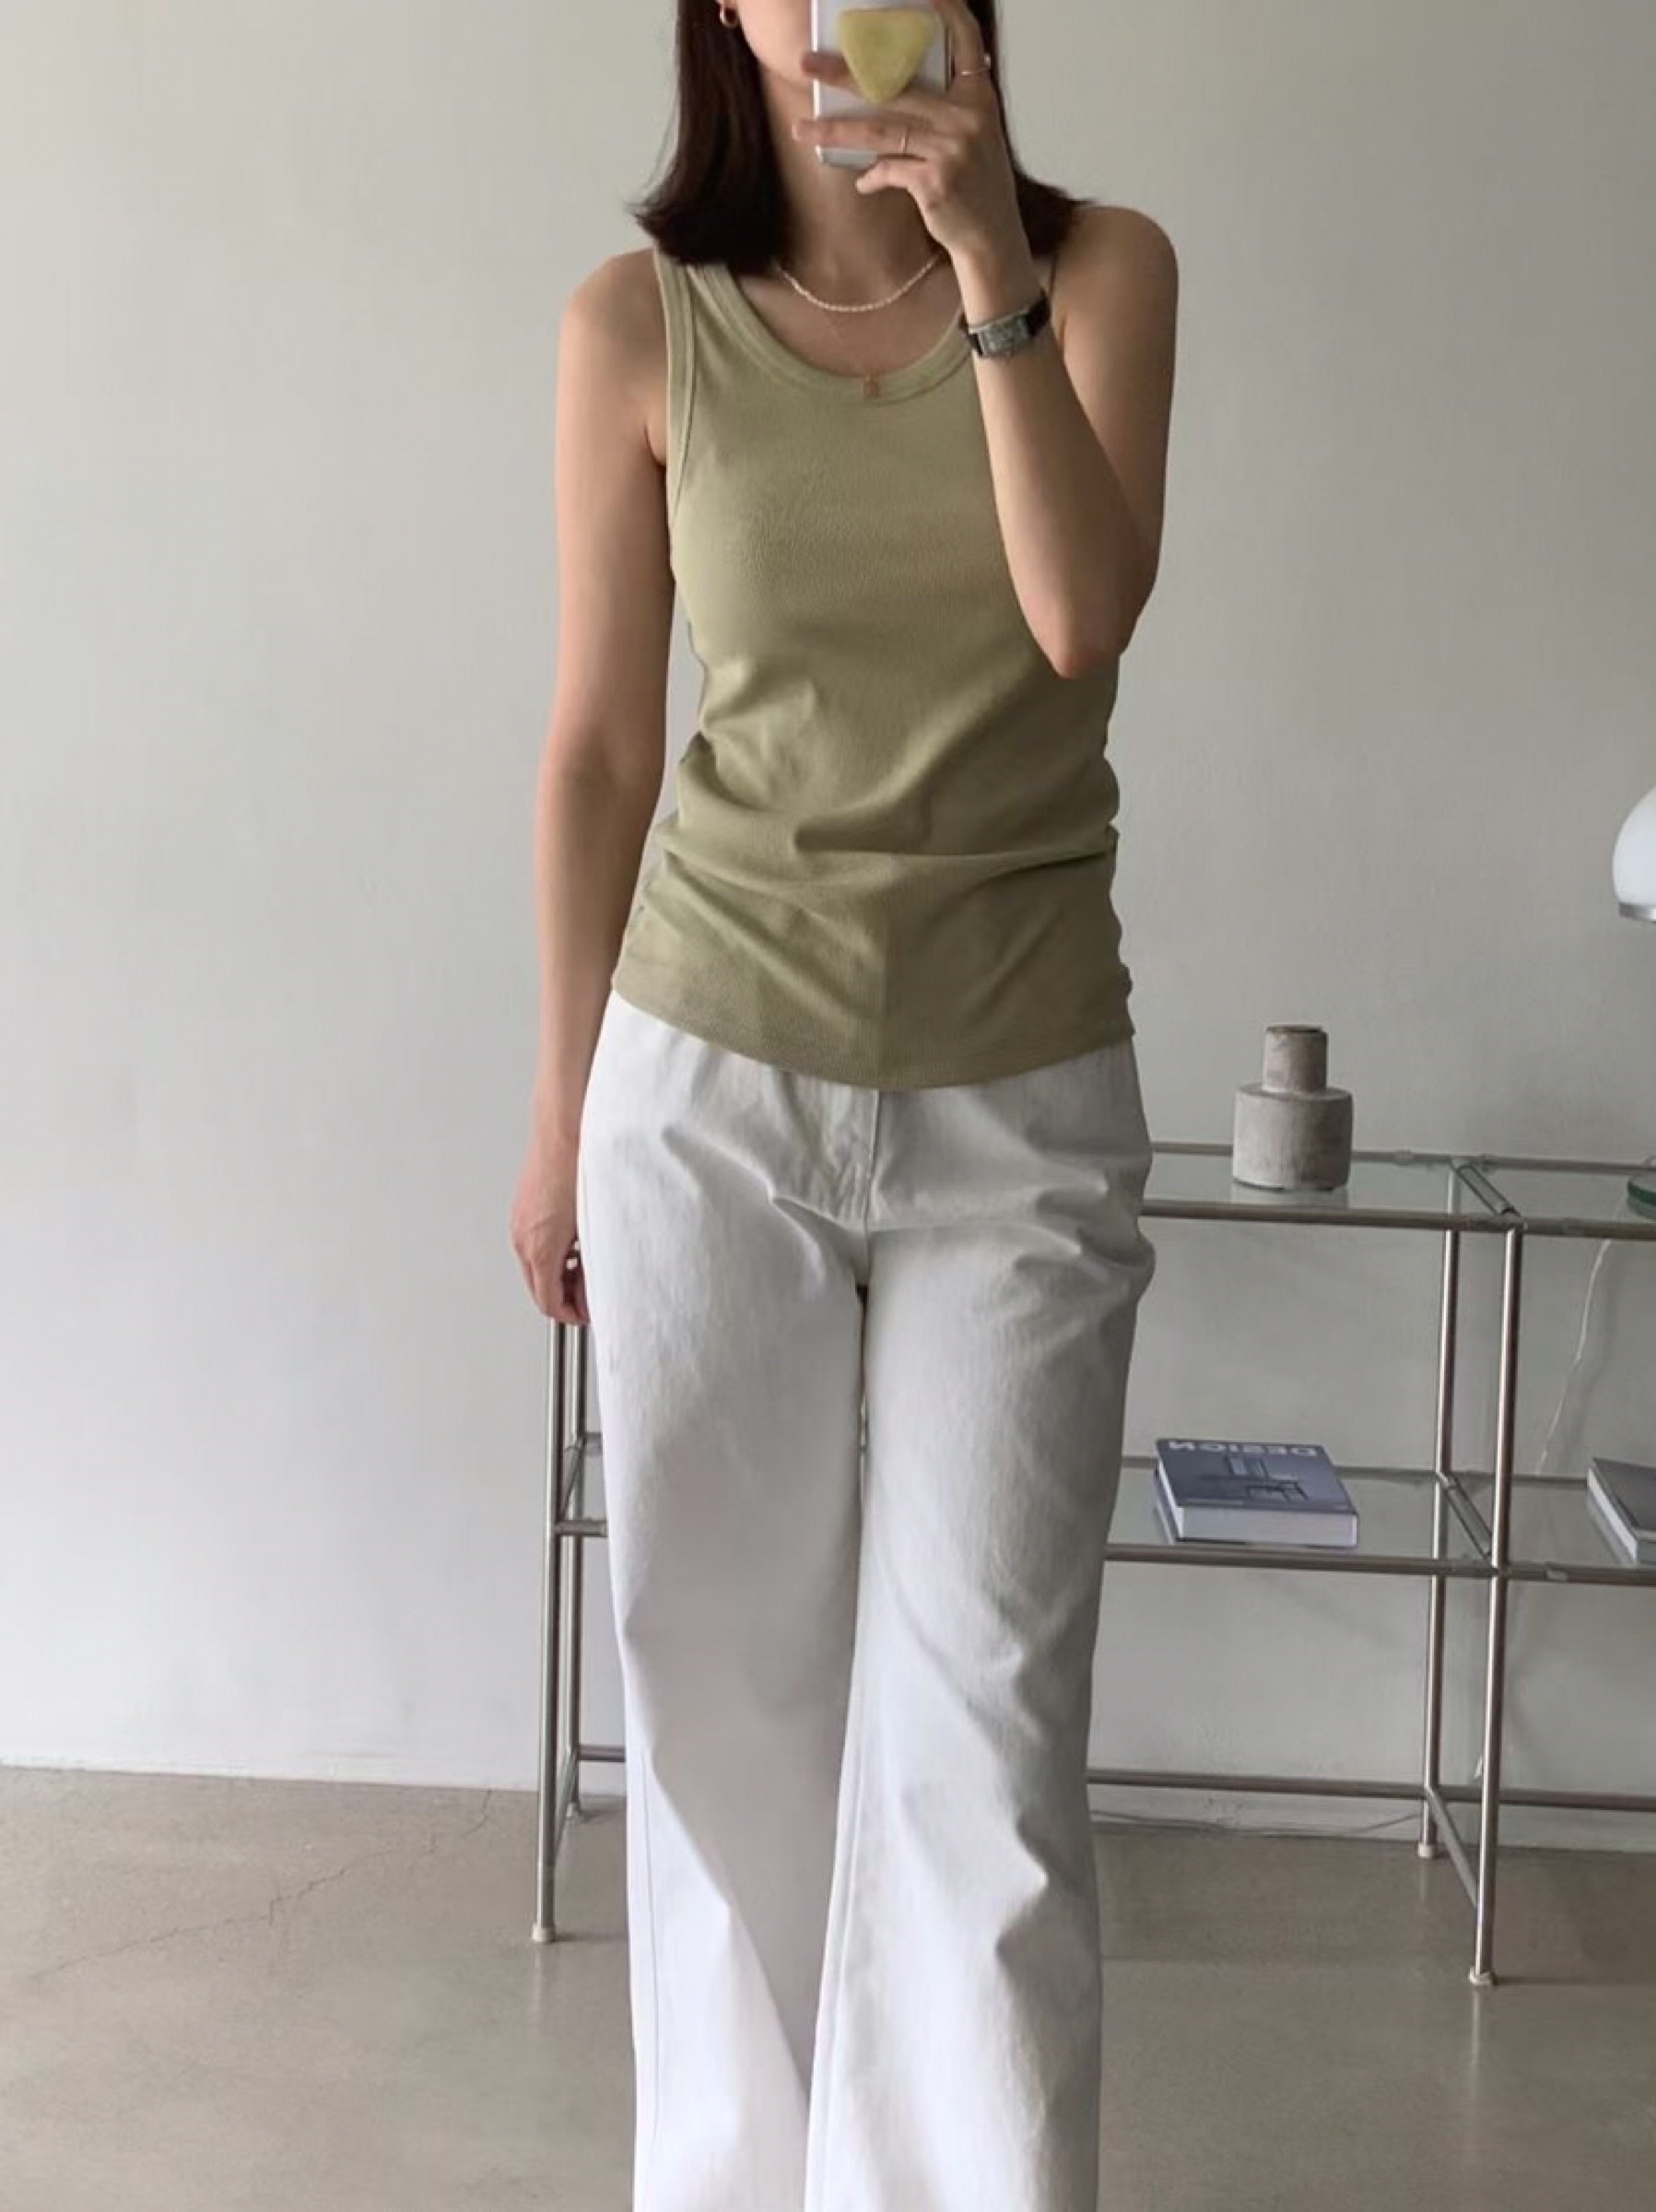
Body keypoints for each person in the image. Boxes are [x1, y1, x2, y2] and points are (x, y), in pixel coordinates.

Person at [509, 0, 1179, 2203]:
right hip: (708, 1082)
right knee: (725, 1726)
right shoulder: (638, 328)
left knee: (985, 1758)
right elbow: (602, 749)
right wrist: (557, 1103)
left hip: (1022, 1098)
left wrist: (985, 264)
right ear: (725, 9)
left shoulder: (1100, 272)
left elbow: (1078, 617)